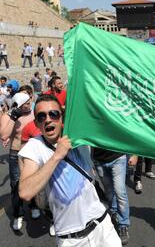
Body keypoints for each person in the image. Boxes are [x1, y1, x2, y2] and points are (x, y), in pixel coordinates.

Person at [18, 94, 121, 246]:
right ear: (37, 123)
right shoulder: (34, 147)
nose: (48, 119)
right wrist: (56, 156)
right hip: (71, 239)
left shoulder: (77, 134)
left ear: (61, 117)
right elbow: (25, 192)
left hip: (103, 227)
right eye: (41, 116)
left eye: (53, 114)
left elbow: (102, 112)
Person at [0, 89, 40, 230]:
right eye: (26, 103)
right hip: (16, 154)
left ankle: (34, 206)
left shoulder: (35, 110)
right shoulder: (8, 115)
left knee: (37, 181)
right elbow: (4, 136)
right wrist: (13, 117)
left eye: (30, 101)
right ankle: (17, 214)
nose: (29, 104)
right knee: (16, 185)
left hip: (36, 153)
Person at [92, 148, 132, 245]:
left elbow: (130, 132)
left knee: (120, 191)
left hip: (118, 157)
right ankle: (114, 212)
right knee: (109, 191)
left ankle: (123, 225)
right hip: (98, 160)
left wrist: (135, 154)